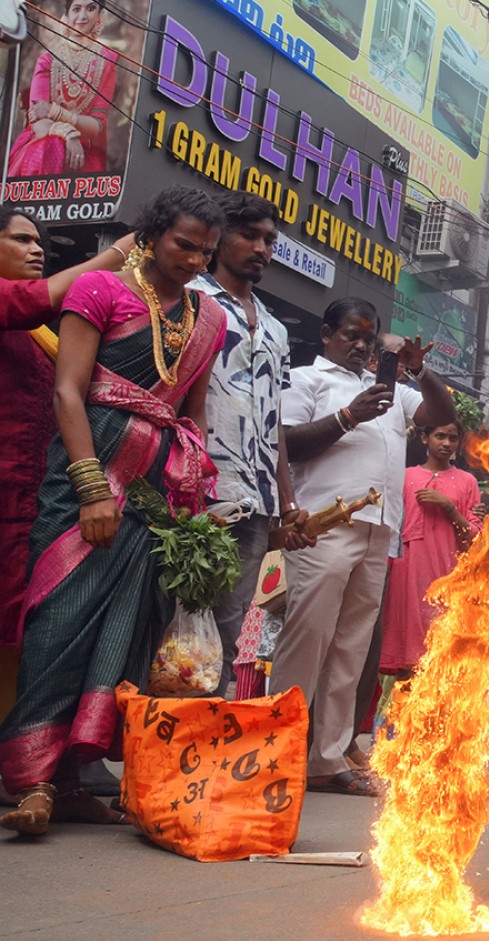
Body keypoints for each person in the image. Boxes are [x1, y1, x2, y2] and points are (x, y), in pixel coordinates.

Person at [0, 187, 228, 836]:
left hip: (156, 489)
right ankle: (32, 782)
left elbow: (194, 415)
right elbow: (68, 393)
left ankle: (72, 780)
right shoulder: (99, 289)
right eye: (184, 245)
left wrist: (193, 503)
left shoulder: (209, 318)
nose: (194, 261)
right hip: (86, 477)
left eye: (206, 252)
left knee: (123, 633)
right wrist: (92, 487)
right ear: (150, 235)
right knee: (57, 621)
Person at [270, 300, 454, 796]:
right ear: (327, 334)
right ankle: (275, 753)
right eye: (351, 335)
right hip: (323, 528)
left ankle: (327, 760)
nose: (360, 345)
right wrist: (349, 416)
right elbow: (286, 442)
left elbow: (443, 414)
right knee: (307, 642)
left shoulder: (390, 391)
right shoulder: (307, 380)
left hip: (378, 532)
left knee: (350, 650)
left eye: (368, 340)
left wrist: (419, 370)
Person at [0, 209, 134, 719]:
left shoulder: (45, 335)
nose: (37, 249)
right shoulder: (22, 309)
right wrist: (117, 254)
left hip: (30, 501)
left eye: (40, 242)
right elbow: (34, 300)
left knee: (21, 628)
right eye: (21, 240)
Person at [199, 192, 311, 673]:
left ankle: (206, 717)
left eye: (270, 240)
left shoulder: (275, 329)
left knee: (231, 630)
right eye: (249, 236)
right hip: (198, 486)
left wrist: (286, 502)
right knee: (171, 617)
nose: (262, 248)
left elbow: (274, 420)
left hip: (257, 502)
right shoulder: (192, 299)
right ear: (218, 237)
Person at [377, 420, 479, 676]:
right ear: (425, 438)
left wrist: (449, 507)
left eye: (452, 438)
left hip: (447, 572)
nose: (446, 443)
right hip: (406, 572)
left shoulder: (467, 481)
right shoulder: (405, 477)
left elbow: (474, 536)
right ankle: (402, 702)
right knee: (406, 652)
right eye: (440, 436)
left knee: (442, 654)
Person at [6, 0, 118, 178]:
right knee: (53, 144)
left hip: (84, 153)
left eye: (90, 8)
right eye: (76, 9)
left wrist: (54, 111)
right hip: (43, 142)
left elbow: (97, 125)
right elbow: (38, 121)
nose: (82, 16)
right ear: (67, 15)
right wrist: (66, 134)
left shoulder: (108, 61)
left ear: (100, 14)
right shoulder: (47, 61)